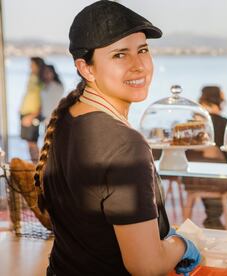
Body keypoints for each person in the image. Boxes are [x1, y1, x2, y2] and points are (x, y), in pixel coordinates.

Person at [33, 1, 200, 275]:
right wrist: (181, 244)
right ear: (86, 68)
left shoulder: (66, 118)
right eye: (120, 55)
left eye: (143, 50)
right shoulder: (125, 145)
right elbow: (145, 266)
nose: (139, 66)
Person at [184, 86, 227, 229]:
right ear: (218, 100)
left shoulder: (189, 125)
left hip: (192, 180)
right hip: (220, 180)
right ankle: (214, 219)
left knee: (205, 172)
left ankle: (212, 218)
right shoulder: (226, 124)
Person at [20, 56, 45, 162]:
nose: (30, 66)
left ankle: (38, 170)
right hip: (25, 112)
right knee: (29, 143)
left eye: (32, 64)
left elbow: (42, 99)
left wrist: (33, 115)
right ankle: (35, 169)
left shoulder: (41, 80)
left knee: (32, 143)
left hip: (32, 114)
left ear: (38, 66)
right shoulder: (32, 77)